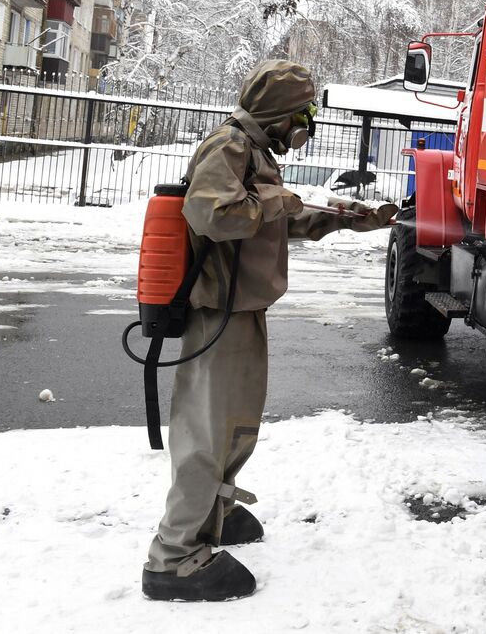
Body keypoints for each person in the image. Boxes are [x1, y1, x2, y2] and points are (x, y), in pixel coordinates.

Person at [141, 59, 397, 601]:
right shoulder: (229, 147)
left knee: (236, 424)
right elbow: (211, 213)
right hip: (219, 313)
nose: (304, 133)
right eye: (303, 119)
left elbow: (275, 219)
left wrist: (349, 216)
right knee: (207, 435)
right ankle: (174, 557)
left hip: (245, 310)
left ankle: (218, 513)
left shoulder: (255, 153)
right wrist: (279, 199)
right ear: (281, 114)